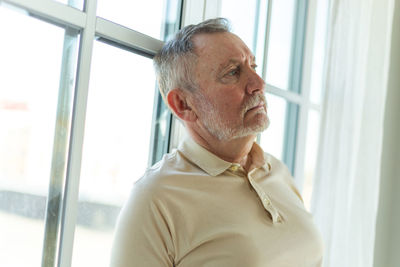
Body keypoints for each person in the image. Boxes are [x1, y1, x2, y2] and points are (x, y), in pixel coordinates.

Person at [110, 18, 324, 267]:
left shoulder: (276, 171)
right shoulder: (155, 199)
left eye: (253, 66)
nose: (258, 84)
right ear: (183, 104)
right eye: (233, 72)